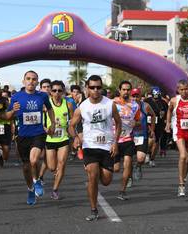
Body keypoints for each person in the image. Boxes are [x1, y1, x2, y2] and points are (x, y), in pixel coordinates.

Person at [68, 75, 121, 221]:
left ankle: (97, 180)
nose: (95, 90)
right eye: (92, 87)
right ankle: (93, 210)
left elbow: (118, 123)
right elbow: (71, 126)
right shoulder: (83, 107)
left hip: (107, 146)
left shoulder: (110, 104)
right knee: (92, 176)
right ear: (87, 89)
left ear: (102, 88)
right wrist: (76, 138)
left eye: (98, 87)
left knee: (106, 180)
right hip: (90, 147)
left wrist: (116, 142)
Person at [0, 70, 55, 205]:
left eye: (34, 79)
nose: (31, 81)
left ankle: (37, 181)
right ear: (24, 81)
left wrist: (52, 123)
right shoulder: (16, 97)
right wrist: (13, 111)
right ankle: (30, 189)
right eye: (28, 79)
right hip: (23, 135)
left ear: (37, 82)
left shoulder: (42, 96)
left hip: (38, 133)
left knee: (34, 160)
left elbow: (50, 109)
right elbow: (7, 116)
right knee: (26, 167)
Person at [45, 80, 74, 200]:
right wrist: (46, 129)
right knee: (52, 167)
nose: (57, 93)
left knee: (61, 164)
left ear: (63, 92)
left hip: (63, 138)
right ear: (50, 92)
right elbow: (40, 121)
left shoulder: (68, 105)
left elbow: (72, 122)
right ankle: (55, 172)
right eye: (54, 90)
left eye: (60, 90)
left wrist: (75, 137)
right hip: (50, 139)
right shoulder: (46, 105)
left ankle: (55, 189)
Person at [114, 81, 140, 200]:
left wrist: (136, 122)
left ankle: (122, 191)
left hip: (128, 138)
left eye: (128, 90)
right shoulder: (113, 103)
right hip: (114, 139)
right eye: (123, 89)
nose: (126, 92)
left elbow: (138, 120)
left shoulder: (135, 105)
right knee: (116, 168)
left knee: (128, 163)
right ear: (119, 90)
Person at [131, 88, 155, 181]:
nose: (135, 98)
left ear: (140, 97)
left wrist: (152, 129)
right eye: (133, 96)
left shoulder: (145, 106)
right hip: (130, 136)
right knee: (128, 159)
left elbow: (152, 115)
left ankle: (138, 166)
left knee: (141, 159)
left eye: (137, 96)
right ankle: (129, 177)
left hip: (142, 135)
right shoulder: (127, 106)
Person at [144, 87, 168, 165]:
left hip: (159, 124)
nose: (156, 99)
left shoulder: (164, 103)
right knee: (150, 140)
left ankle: (152, 159)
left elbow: (167, 114)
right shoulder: (147, 101)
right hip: (148, 124)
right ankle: (147, 153)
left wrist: (167, 122)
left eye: (158, 97)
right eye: (154, 97)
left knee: (156, 142)